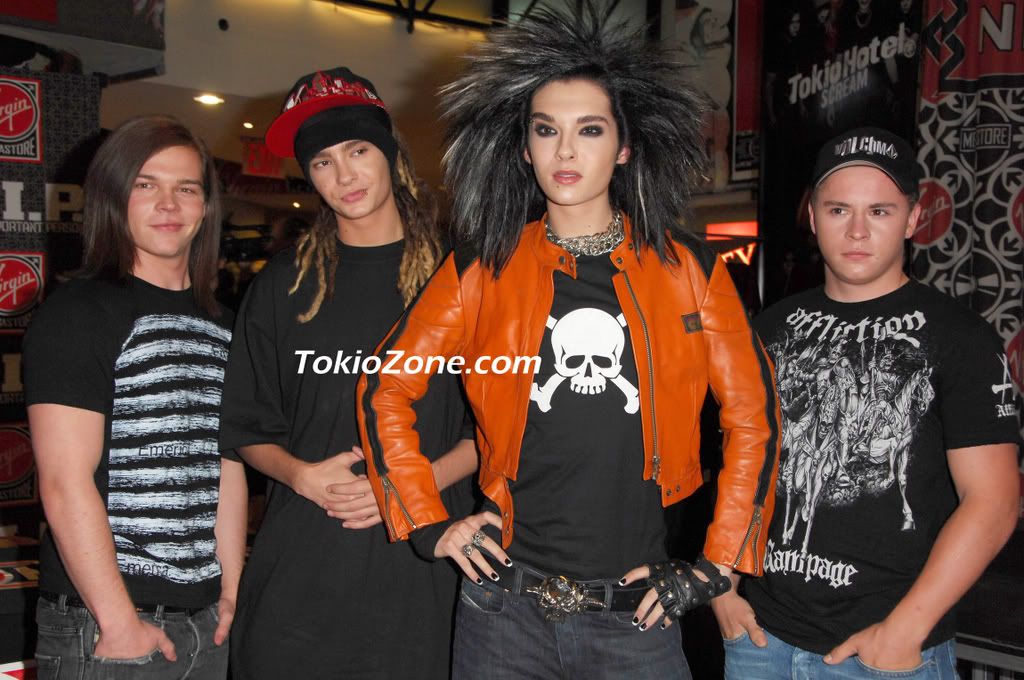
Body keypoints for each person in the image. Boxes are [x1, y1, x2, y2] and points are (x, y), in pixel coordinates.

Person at [357, 4, 780, 678]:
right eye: (546, 130)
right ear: (524, 147)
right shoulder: (483, 267)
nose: (565, 151)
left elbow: (754, 418)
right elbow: (386, 388)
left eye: (590, 129)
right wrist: (428, 524)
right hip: (502, 611)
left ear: (625, 146)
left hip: (635, 619)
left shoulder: (688, 271)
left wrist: (719, 563)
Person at [715, 127, 1021, 679]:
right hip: (760, 639)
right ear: (812, 216)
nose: (857, 230)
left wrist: (904, 631)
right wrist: (723, 585)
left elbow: (994, 500)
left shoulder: (960, 337)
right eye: (839, 210)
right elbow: (744, 467)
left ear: (913, 218)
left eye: (879, 211)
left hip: (884, 653)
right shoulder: (769, 328)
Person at [218, 67, 476, 679]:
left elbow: (497, 428)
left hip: (426, 564)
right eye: (323, 162)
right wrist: (301, 476)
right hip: (303, 572)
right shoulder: (284, 285)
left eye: (358, 151)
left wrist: (407, 486)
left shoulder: (463, 276)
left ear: (390, 153)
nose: (345, 175)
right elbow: (245, 423)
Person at [24, 115, 246, 679]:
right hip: (104, 626)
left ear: (205, 207)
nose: (168, 204)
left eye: (186, 188)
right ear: (114, 197)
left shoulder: (226, 326)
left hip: (207, 623)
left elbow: (225, 466)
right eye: (146, 185)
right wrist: (119, 622)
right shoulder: (79, 313)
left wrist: (231, 590)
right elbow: (64, 481)